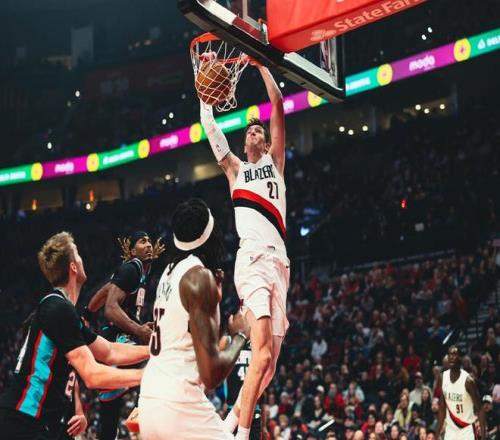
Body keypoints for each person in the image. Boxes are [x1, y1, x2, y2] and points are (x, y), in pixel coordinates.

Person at [200, 57, 288, 440]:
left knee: (268, 368)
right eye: (250, 130)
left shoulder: (276, 163)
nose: (254, 132)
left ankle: (225, 427)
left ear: (265, 142)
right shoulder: (236, 170)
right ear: (245, 141)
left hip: (280, 265)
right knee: (262, 354)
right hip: (251, 261)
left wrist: (261, 65)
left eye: (258, 131)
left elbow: (278, 104)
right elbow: (210, 127)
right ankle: (239, 435)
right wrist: (205, 97)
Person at [0, 232, 149, 440]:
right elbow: (92, 375)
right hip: (22, 421)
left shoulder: (65, 312)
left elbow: (109, 352)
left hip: (41, 423)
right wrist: (148, 375)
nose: (82, 259)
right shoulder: (57, 307)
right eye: (78, 254)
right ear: (73, 267)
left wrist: (154, 350)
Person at [138, 198, 251, 439]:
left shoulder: (170, 273)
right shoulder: (199, 278)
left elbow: (195, 341)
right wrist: (240, 336)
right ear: (210, 236)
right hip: (178, 404)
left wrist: (215, 300)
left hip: (149, 400)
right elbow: (211, 375)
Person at [84, 230, 164, 440]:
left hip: (119, 338)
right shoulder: (132, 269)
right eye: (142, 241)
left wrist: (87, 314)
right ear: (132, 250)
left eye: (149, 241)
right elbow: (110, 309)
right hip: (116, 340)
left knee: (110, 410)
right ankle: (144, 419)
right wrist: (138, 330)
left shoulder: (137, 271)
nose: (148, 245)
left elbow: (105, 291)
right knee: (156, 366)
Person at [436, 346, 486, 440]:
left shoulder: (468, 381)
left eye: (454, 354)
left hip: (466, 430)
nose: (451, 357)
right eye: (449, 354)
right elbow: (442, 408)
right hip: (450, 430)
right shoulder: (442, 378)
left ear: (460, 358)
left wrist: (483, 436)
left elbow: (480, 409)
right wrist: (436, 434)